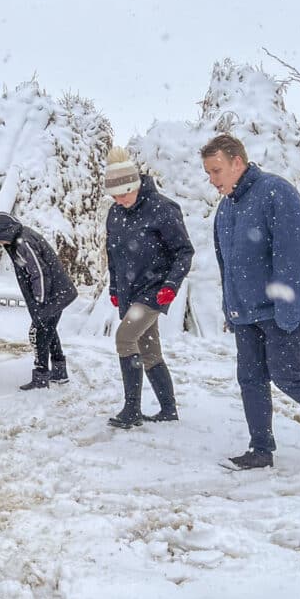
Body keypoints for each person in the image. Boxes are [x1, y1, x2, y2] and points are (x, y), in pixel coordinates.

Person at [202, 134, 300, 469]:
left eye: (216, 170)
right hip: (248, 312)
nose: (212, 180)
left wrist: (288, 311)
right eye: (208, 173)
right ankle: (260, 450)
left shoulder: (275, 192)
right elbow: (227, 264)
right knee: (250, 378)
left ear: (237, 162)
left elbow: (294, 257)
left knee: (286, 374)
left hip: (286, 308)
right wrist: (232, 306)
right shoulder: (226, 208)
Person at [104, 147, 194, 428]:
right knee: (149, 350)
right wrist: (114, 288)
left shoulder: (162, 208)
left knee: (124, 338)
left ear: (135, 185)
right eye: (115, 196)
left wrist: (171, 285)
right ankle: (168, 409)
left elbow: (184, 251)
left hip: (154, 290)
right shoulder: (115, 213)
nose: (120, 200)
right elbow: (113, 254)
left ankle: (132, 410)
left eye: (124, 194)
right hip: (129, 290)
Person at [0, 212, 77, 389]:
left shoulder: (23, 243)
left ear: (6, 231)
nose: (0, 243)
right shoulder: (19, 238)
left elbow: (39, 273)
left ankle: (41, 377)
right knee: (49, 331)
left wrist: (40, 300)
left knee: (39, 334)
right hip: (56, 293)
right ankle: (59, 372)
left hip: (52, 295)